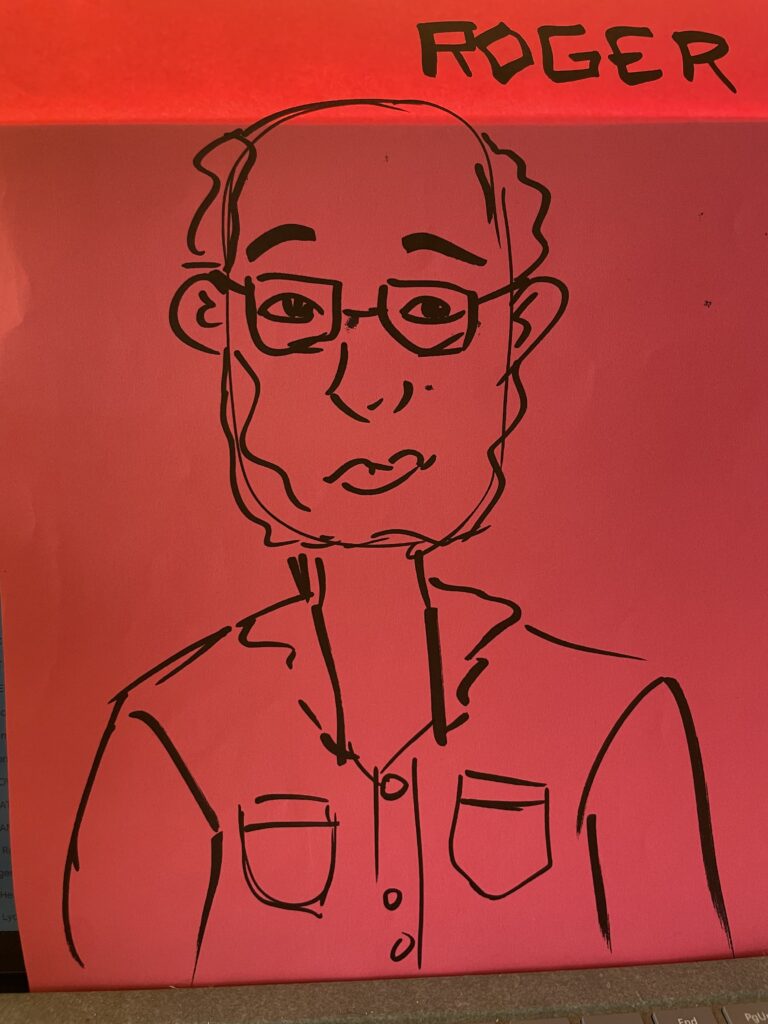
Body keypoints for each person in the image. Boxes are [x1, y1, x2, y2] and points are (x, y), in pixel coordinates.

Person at [62, 99, 732, 988]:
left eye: (429, 307)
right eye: (293, 306)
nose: (367, 386)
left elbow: (683, 984)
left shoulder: (618, 719)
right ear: (216, 321)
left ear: (519, 330)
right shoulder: (167, 730)